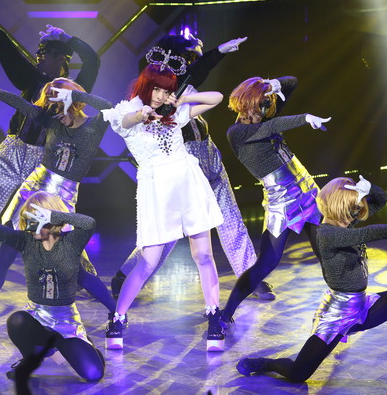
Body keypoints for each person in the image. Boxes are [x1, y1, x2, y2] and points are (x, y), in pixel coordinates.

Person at [0, 5, 100, 299]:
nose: (39, 60)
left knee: (58, 220)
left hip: (45, 163)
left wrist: (69, 39)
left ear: (61, 58)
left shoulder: (77, 87)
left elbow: (93, 60)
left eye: (45, 55)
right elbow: (9, 54)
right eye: (37, 55)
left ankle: (83, 277)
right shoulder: (30, 80)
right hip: (12, 154)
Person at [110, 34, 276, 300]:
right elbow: (193, 74)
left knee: (231, 219)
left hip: (208, 154)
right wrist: (218, 51)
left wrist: (216, 52)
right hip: (184, 162)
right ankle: (127, 274)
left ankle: (251, 278)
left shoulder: (185, 87)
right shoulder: (162, 92)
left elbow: (200, 83)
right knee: (168, 232)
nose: (194, 61)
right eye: (190, 56)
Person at [236, 176, 387, 381]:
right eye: (350, 209)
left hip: (362, 306)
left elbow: (380, 199)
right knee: (298, 374)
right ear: (336, 205)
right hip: (336, 314)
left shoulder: (345, 223)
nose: (353, 215)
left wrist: (367, 189)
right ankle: (266, 363)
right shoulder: (327, 233)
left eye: (355, 210)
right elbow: (368, 233)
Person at [0, 78, 112, 331]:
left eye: (59, 101)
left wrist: (73, 96)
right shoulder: (51, 121)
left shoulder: (95, 126)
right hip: (30, 193)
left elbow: (107, 105)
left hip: (61, 199)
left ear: (73, 101)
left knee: (76, 267)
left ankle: (117, 313)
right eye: (51, 103)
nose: (54, 109)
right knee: (5, 255)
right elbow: (21, 104)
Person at [101, 62, 226, 351]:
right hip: (157, 188)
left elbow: (217, 97)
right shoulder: (127, 111)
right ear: (145, 85)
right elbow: (128, 120)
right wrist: (141, 113)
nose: (159, 95)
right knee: (148, 261)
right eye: (156, 88)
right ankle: (118, 318)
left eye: (165, 90)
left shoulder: (174, 110)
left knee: (204, 255)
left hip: (188, 182)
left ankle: (213, 316)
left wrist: (183, 98)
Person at [0, 191, 111, 381]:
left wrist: (55, 215)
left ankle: (70, 347)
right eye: (28, 221)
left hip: (66, 322)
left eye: (36, 221)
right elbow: (4, 232)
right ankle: (30, 360)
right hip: (37, 316)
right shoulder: (26, 241)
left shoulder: (71, 243)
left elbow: (88, 223)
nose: (30, 227)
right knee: (17, 321)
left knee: (93, 374)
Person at [219, 76, 330, 325]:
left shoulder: (263, 116)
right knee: (268, 261)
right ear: (245, 104)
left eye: (265, 104)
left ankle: (340, 307)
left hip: (309, 191)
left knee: (326, 251)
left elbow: (292, 82)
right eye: (259, 104)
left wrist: (269, 85)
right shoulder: (236, 132)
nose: (264, 109)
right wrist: (304, 118)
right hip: (282, 201)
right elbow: (271, 127)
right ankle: (225, 314)